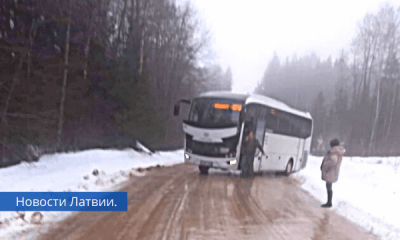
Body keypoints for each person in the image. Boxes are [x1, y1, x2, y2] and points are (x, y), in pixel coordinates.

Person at [320, 139, 346, 208]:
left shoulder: (334, 152)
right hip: (332, 171)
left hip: (330, 171)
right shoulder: (337, 151)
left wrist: (325, 165)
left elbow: (333, 161)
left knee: (328, 186)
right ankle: (329, 202)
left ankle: (329, 202)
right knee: (329, 186)